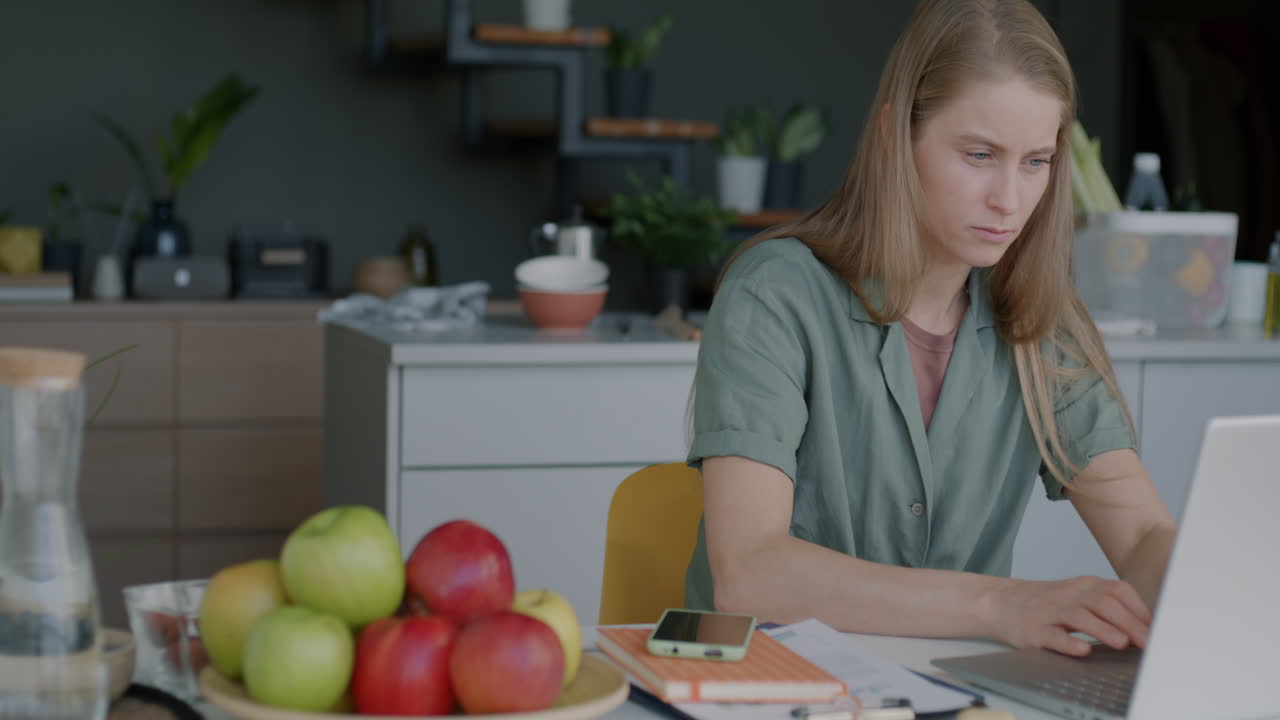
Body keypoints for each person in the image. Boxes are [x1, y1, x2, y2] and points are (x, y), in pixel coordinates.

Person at [684, 0, 1178, 658]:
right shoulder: (774, 294)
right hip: (762, 680)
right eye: (979, 155)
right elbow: (750, 572)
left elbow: (1141, 536)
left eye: (1036, 161)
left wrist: (1225, 587)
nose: (1009, 200)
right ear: (895, 134)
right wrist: (1000, 604)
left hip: (947, 691)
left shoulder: (1041, 322)